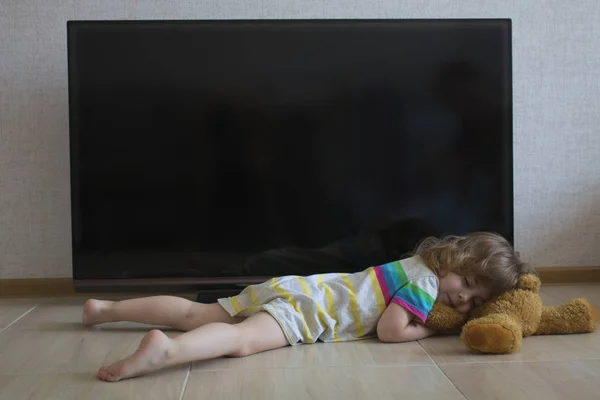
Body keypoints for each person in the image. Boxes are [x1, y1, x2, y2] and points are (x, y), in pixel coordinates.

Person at [82, 231, 532, 382]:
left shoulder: (415, 262)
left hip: (297, 287)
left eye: (475, 301)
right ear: (456, 256)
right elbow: (391, 331)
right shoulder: (426, 283)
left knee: (196, 312)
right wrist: (439, 328)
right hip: (311, 311)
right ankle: (168, 353)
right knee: (240, 341)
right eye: (467, 284)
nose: (462, 299)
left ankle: (106, 309)